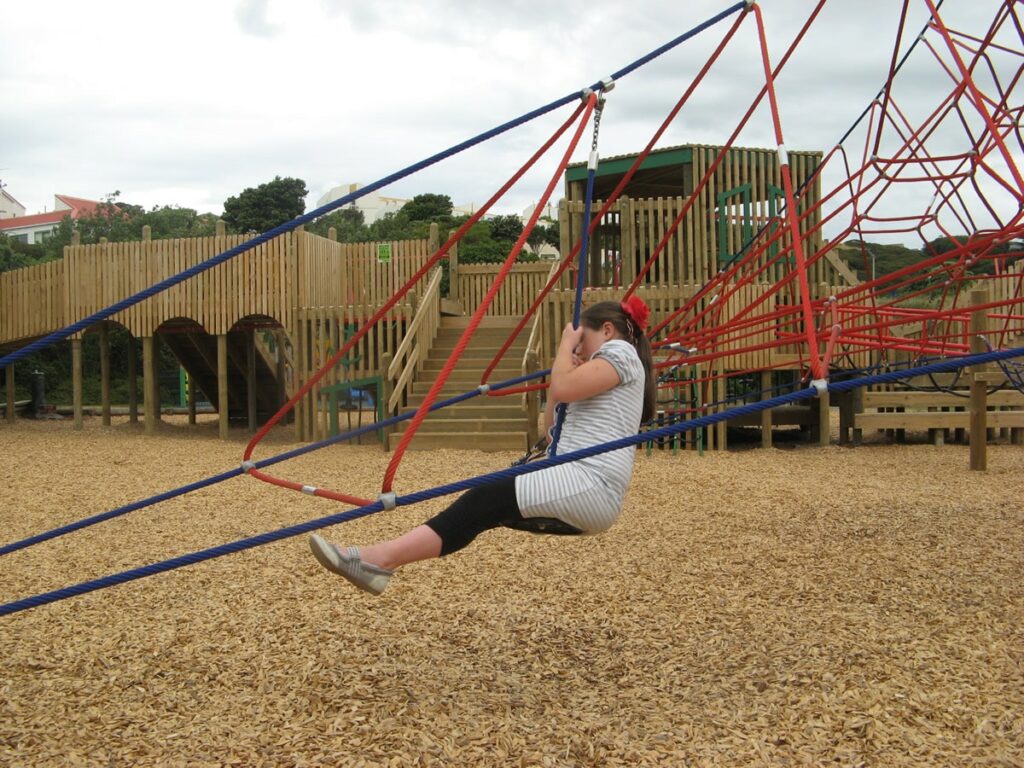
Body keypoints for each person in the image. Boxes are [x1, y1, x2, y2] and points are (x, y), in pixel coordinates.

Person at [309, 297, 656, 596]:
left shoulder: (621, 352)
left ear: (608, 331)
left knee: (483, 498)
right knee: (479, 509)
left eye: (585, 338)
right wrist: (565, 370)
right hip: (582, 486)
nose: (579, 348)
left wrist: (565, 347)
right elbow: (551, 428)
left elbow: (563, 387)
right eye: (577, 343)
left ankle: (377, 560)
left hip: (590, 484)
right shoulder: (604, 371)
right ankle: (378, 562)